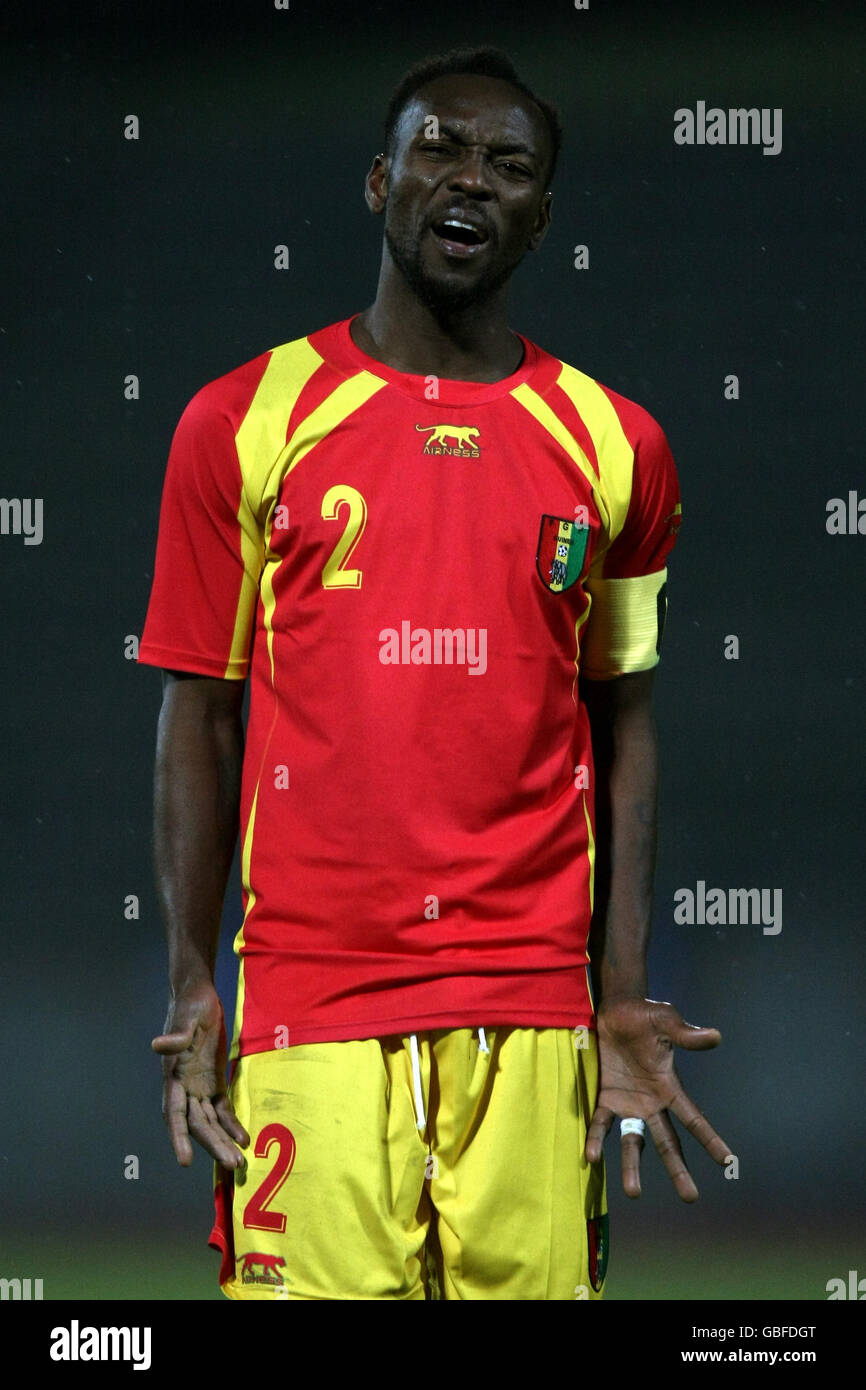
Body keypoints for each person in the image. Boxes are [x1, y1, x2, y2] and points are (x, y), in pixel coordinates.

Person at [138, 45, 733, 1302]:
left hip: (533, 1012)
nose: (470, 179)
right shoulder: (241, 421)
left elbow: (624, 723)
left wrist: (620, 995)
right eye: (439, 150)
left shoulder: (617, 446)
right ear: (378, 182)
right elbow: (198, 708)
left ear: (541, 216)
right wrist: (198, 982)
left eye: (507, 165)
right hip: (311, 1001)